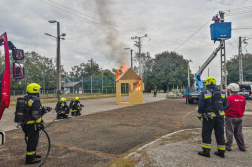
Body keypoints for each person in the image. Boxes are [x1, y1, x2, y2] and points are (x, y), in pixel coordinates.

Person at [197, 76, 229, 158]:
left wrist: (199, 115)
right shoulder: (221, 93)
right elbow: (226, 105)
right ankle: (221, 152)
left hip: (208, 117)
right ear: (215, 83)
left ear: (207, 83)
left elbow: (201, 105)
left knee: (207, 133)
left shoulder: (205, 92)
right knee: (220, 133)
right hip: (220, 117)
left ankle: (206, 152)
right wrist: (220, 110)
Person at [22, 83, 44, 164]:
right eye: (38, 89)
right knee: (33, 141)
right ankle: (30, 159)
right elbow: (35, 115)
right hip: (31, 125)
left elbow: (30, 111)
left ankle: (33, 154)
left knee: (32, 140)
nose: (39, 91)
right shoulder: (35, 99)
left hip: (25, 124)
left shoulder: (26, 98)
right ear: (35, 90)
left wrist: (43, 111)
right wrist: (40, 123)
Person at [225, 83, 246, 152]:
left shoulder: (229, 99)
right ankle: (242, 147)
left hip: (230, 117)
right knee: (239, 133)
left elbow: (224, 107)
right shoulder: (243, 98)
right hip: (239, 117)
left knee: (229, 132)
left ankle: (228, 146)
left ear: (230, 90)